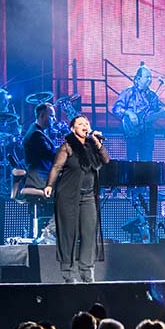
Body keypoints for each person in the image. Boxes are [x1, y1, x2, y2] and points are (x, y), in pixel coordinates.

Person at [44, 115, 110, 283]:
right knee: (69, 235)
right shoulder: (67, 147)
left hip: (88, 197)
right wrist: (49, 185)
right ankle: (69, 273)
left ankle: (87, 272)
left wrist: (97, 142)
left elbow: (106, 160)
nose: (85, 125)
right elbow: (57, 167)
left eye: (87, 123)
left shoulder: (92, 147)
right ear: (73, 128)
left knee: (88, 234)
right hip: (68, 196)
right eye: (80, 123)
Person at [111, 64, 165, 160]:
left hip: (147, 132)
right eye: (147, 77)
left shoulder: (153, 95)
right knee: (131, 160)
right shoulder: (128, 92)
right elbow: (116, 108)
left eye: (150, 77)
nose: (149, 79)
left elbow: (160, 110)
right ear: (138, 78)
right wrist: (129, 113)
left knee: (147, 161)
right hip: (133, 131)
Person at [22, 103, 56, 191]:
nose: (55, 119)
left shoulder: (34, 128)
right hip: (40, 177)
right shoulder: (36, 134)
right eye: (52, 116)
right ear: (42, 116)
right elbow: (51, 156)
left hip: (41, 173)